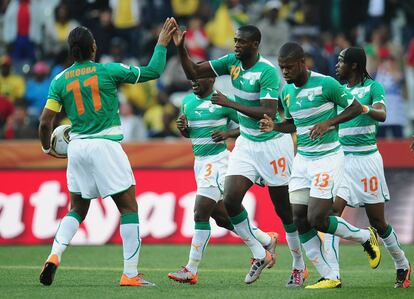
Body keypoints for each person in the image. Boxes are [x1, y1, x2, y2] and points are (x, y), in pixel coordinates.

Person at [38, 19, 176, 287]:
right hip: (105, 145)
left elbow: (45, 122)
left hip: (77, 147)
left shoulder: (59, 81)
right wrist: (161, 43)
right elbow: (153, 71)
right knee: (128, 208)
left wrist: (47, 147)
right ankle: (130, 274)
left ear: (70, 52)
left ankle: (55, 254)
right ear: (93, 47)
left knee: (77, 208)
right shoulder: (108, 71)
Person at [173, 21, 306, 286]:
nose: (236, 45)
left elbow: (268, 111)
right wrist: (180, 48)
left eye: (241, 42)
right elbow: (193, 70)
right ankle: (260, 252)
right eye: (234, 40)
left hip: (273, 143)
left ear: (255, 45)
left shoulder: (267, 71)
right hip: (246, 142)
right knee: (231, 200)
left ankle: (299, 266)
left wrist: (229, 102)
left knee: (283, 209)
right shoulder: (230, 62)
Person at [259, 42, 381, 289]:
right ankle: (329, 275)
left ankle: (364, 237)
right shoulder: (287, 93)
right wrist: (275, 127)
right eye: (282, 68)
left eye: (289, 67)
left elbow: (356, 108)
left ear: (303, 63)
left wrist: (329, 123)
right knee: (298, 218)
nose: (285, 72)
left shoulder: (326, 84)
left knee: (317, 217)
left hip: (328, 157)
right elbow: (293, 123)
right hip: (302, 159)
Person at [167, 75, 278, 284]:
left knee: (200, 212)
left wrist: (229, 133)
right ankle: (265, 240)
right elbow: (190, 133)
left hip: (217, 162)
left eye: (198, 77)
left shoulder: (223, 101)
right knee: (221, 217)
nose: (193, 81)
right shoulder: (187, 101)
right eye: (191, 78)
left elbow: (250, 124)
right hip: (199, 162)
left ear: (211, 79)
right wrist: (183, 129)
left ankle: (191, 269)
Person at [323, 47, 411, 288]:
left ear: (354, 65)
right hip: (342, 159)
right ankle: (333, 275)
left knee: (378, 222)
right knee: (330, 215)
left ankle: (402, 264)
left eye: (341, 61)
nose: (337, 65)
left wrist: (363, 108)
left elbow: (382, 115)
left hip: (367, 160)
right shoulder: (339, 92)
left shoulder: (373, 88)